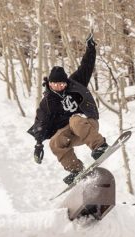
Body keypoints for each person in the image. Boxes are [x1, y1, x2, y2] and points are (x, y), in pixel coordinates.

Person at [28, 33, 108, 185]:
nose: (58, 87)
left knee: (74, 119)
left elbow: (86, 66)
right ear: (49, 84)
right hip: (72, 133)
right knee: (54, 142)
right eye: (54, 84)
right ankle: (75, 169)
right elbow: (40, 122)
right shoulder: (47, 102)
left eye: (61, 84)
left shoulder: (76, 82)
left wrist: (90, 48)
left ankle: (100, 146)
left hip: (88, 124)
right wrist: (38, 145)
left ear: (66, 82)